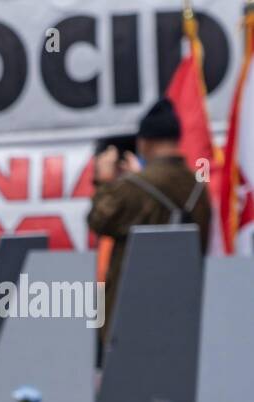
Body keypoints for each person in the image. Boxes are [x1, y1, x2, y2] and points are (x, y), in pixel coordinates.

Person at [87, 98, 211, 344]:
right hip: (183, 309)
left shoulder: (135, 188)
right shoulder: (198, 186)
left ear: (144, 142)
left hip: (134, 316)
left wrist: (103, 180)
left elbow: (99, 220)